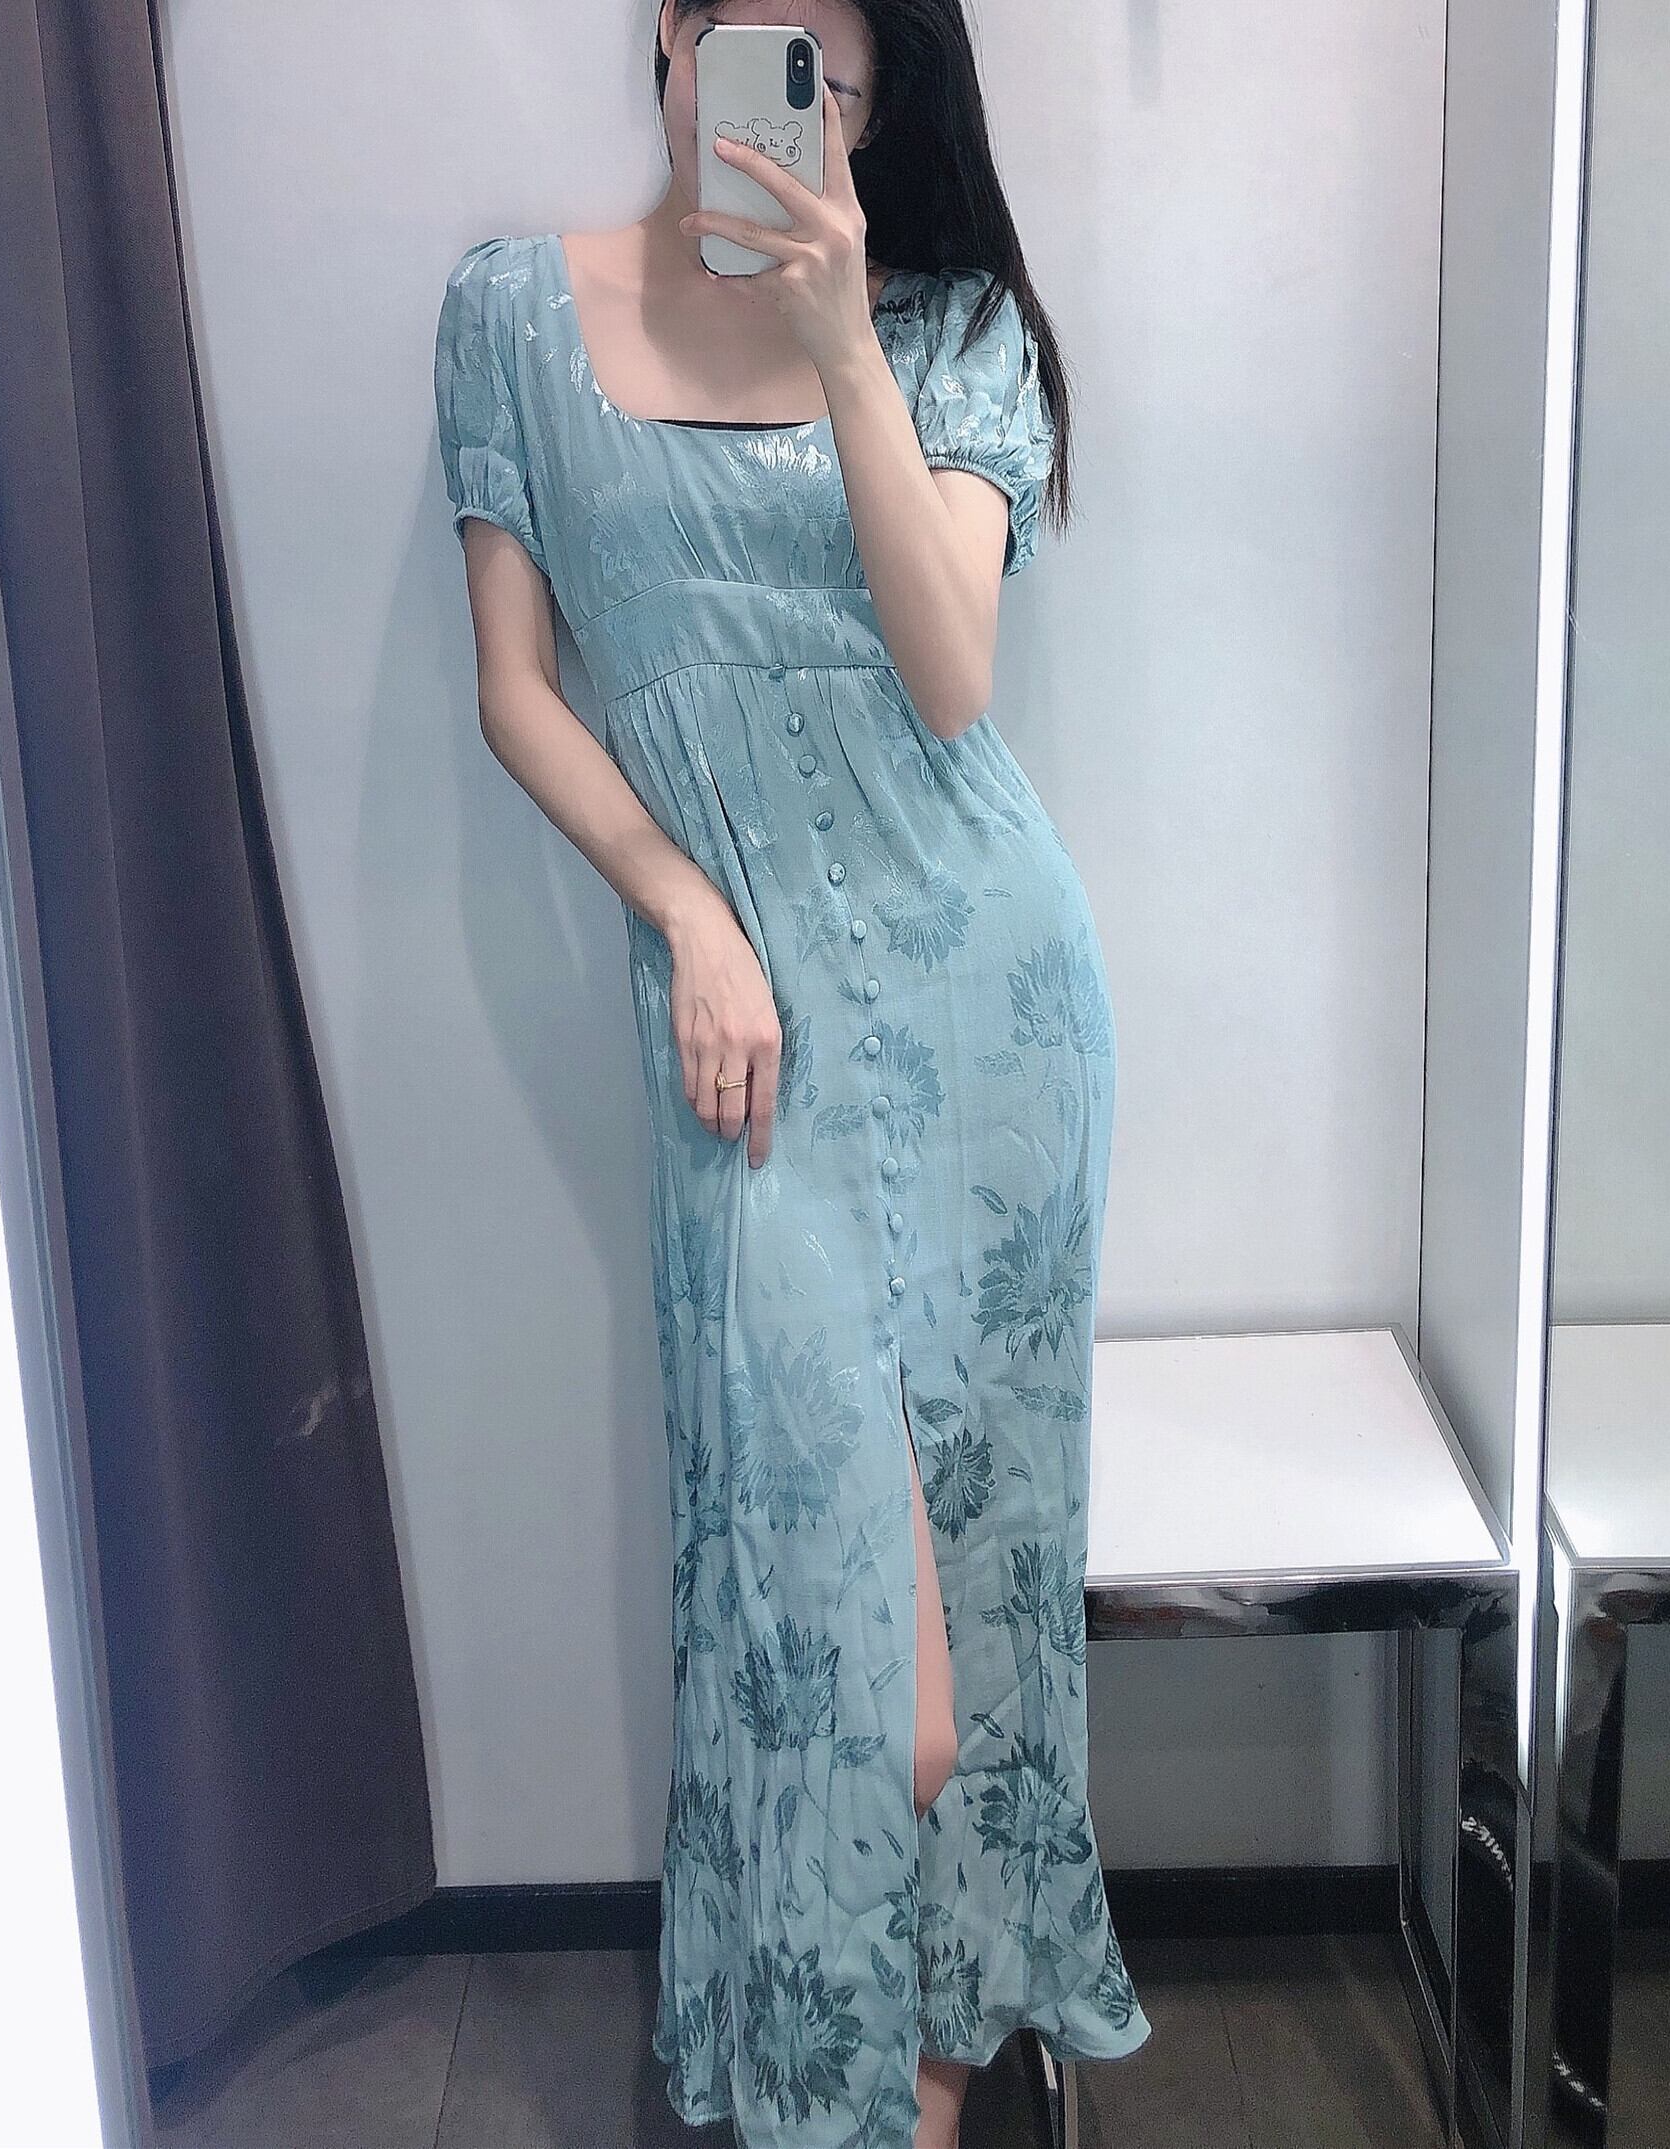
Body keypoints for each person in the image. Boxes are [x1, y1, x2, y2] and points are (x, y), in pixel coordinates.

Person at [432, 4, 1150, 2141]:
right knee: (845, 1665)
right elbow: (515, 688)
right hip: (749, 1050)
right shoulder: (512, 315)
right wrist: (685, 907)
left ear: (880, 102)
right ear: (669, 38)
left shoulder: (953, 334)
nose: (778, 102)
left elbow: (949, 675)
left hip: (990, 1024)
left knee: (968, 1650)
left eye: (830, 74)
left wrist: (843, 341)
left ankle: (914, 2093)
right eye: (747, 44)